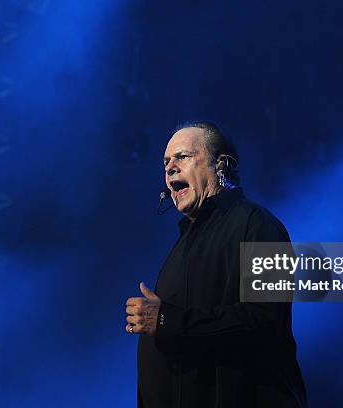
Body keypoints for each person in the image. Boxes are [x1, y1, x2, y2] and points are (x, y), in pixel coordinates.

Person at [125, 121, 307, 408]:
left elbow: (264, 319)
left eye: (182, 157)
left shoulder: (260, 225)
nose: (170, 167)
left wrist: (165, 319)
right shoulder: (181, 247)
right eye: (165, 163)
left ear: (221, 165)